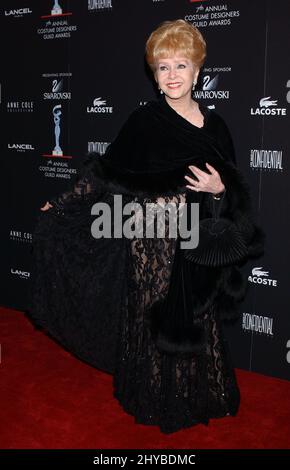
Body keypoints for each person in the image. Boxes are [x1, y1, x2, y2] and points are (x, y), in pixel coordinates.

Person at [28, 19, 264, 434]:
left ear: (197, 71)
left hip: (193, 233)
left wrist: (218, 187)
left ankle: (200, 395)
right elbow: (104, 173)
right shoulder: (143, 122)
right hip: (147, 233)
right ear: (155, 76)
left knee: (195, 313)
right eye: (163, 67)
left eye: (180, 65)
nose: (172, 75)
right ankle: (152, 397)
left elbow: (234, 198)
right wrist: (62, 203)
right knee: (150, 313)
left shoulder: (217, 127)